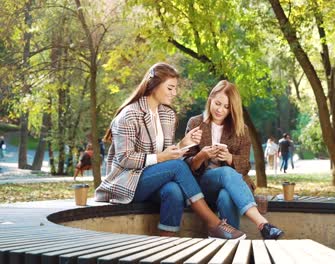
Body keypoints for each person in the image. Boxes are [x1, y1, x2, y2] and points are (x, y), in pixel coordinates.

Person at [95, 63, 245, 239]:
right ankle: (214, 224)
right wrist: (160, 158)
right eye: (170, 88)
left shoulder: (167, 115)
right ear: (154, 85)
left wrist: (182, 144)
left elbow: (166, 153)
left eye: (175, 88)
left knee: (173, 191)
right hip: (128, 181)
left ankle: (166, 243)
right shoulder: (128, 115)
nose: (174, 93)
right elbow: (125, 159)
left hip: (154, 178)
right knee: (177, 167)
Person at [184, 80, 284, 240]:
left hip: (232, 186)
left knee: (226, 196)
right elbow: (187, 166)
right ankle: (263, 224)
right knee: (225, 173)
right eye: (217, 103)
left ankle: (231, 241)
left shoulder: (241, 129)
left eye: (226, 107)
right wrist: (202, 155)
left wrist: (230, 158)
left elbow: (245, 166)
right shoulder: (195, 123)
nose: (220, 110)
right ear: (210, 99)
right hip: (202, 184)